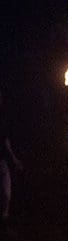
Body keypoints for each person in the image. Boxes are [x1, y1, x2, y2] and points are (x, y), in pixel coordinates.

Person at [0, 89, 23, 223]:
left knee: (5, 193)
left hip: (1, 161)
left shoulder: (3, 120)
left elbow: (5, 141)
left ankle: (4, 220)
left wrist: (14, 159)